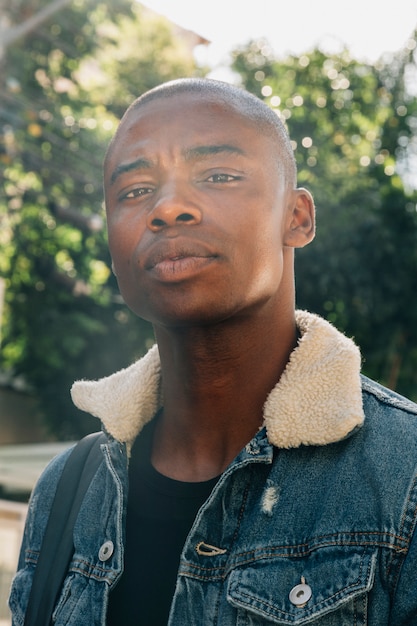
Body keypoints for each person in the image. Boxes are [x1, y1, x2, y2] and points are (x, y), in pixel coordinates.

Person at [9, 77, 417, 626]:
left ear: (296, 217)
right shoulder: (67, 490)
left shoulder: (405, 480)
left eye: (218, 175)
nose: (168, 207)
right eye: (133, 192)